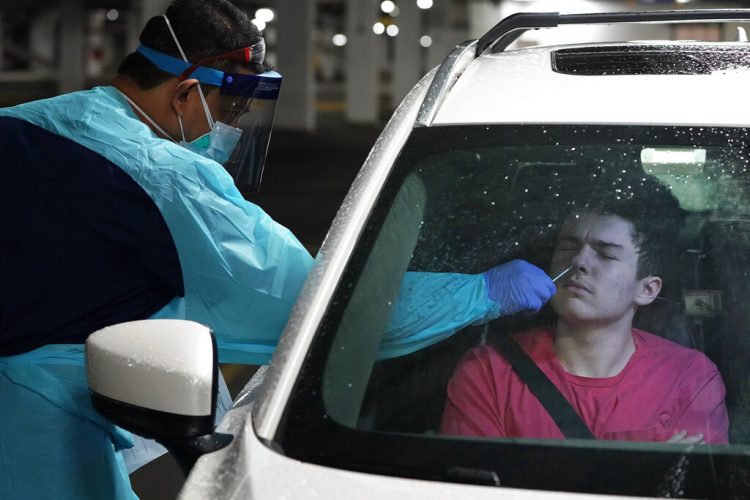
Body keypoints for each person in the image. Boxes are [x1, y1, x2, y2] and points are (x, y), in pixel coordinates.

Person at [0, 1, 556, 498]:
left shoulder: (24, 124)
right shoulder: (167, 179)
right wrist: (482, 291)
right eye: (233, 109)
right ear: (187, 90)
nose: (235, 128)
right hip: (35, 421)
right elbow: (324, 308)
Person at [440, 170, 729, 444]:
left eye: (605, 254)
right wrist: (645, 470)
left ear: (647, 289)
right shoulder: (489, 370)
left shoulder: (689, 377)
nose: (578, 262)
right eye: (568, 247)